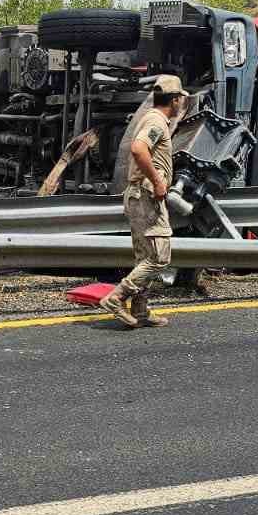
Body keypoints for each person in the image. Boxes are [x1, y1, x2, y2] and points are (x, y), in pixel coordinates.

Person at [100, 75, 188, 329]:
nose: (181, 103)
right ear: (174, 100)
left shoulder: (153, 118)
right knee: (159, 257)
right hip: (146, 198)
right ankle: (116, 299)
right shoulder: (156, 121)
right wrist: (159, 182)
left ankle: (140, 309)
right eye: (180, 99)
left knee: (145, 258)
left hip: (140, 197)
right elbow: (139, 149)